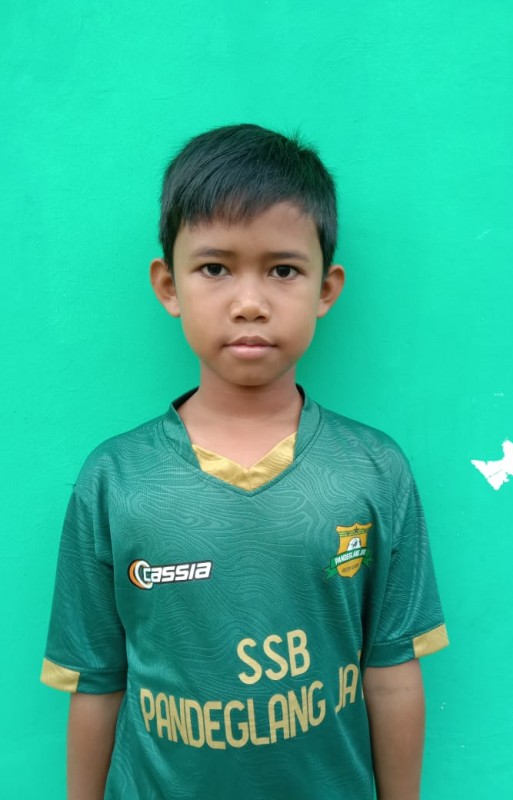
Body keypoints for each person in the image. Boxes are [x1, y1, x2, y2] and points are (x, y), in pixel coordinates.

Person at [41, 123, 449, 799]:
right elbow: (97, 681)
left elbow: (392, 671)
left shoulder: (373, 470)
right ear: (169, 285)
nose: (251, 303)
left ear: (326, 288)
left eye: (283, 270)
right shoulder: (116, 480)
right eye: (215, 268)